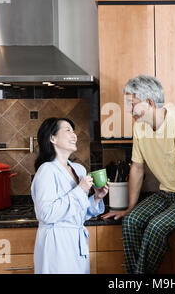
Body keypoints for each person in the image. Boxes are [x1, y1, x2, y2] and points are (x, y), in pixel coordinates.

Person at [102, 75, 175, 274]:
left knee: (156, 227)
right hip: (168, 194)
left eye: (132, 104)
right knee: (130, 221)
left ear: (149, 103)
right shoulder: (140, 128)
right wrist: (130, 207)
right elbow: (137, 168)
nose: (129, 110)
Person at [31, 117, 109, 274]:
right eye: (68, 130)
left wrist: (96, 198)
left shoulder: (78, 169)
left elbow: (76, 212)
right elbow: (45, 213)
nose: (74, 135)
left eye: (74, 131)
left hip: (76, 241)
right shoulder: (47, 170)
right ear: (52, 138)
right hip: (56, 244)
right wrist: (80, 190)